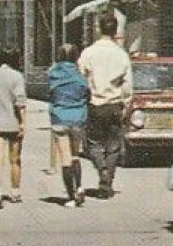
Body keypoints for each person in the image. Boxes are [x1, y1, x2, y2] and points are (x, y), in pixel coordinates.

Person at [78, 12, 132, 198]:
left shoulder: (89, 53)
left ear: (99, 28)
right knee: (114, 145)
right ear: (115, 30)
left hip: (95, 103)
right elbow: (127, 84)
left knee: (92, 143)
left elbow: (81, 77)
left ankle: (101, 169)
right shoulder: (121, 55)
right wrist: (126, 103)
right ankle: (107, 180)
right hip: (115, 104)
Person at [48, 43, 93, 207]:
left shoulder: (53, 74)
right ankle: (79, 186)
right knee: (75, 155)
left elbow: (51, 94)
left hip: (60, 118)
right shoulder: (80, 76)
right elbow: (87, 93)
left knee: (65, 159)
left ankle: (71, 196)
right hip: (78, 119)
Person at [0, 48, 27, 210]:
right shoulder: (17, 76)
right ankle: (15, 192)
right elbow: (20, 102)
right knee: (15, 159)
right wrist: (23, 122)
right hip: (13, 122)